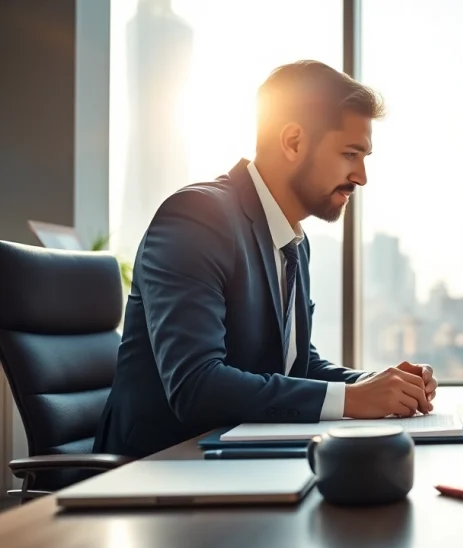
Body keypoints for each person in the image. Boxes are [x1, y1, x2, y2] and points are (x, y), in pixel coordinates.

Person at [95, 60, 437, 458]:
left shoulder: (292, 240)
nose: (361, 176)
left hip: (237, 462)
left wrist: (380, 384)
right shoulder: (196, 218)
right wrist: (352, 399)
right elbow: (196, 386)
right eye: (350, 154)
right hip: (157, 471)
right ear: (293, 142)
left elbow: (297, 365)